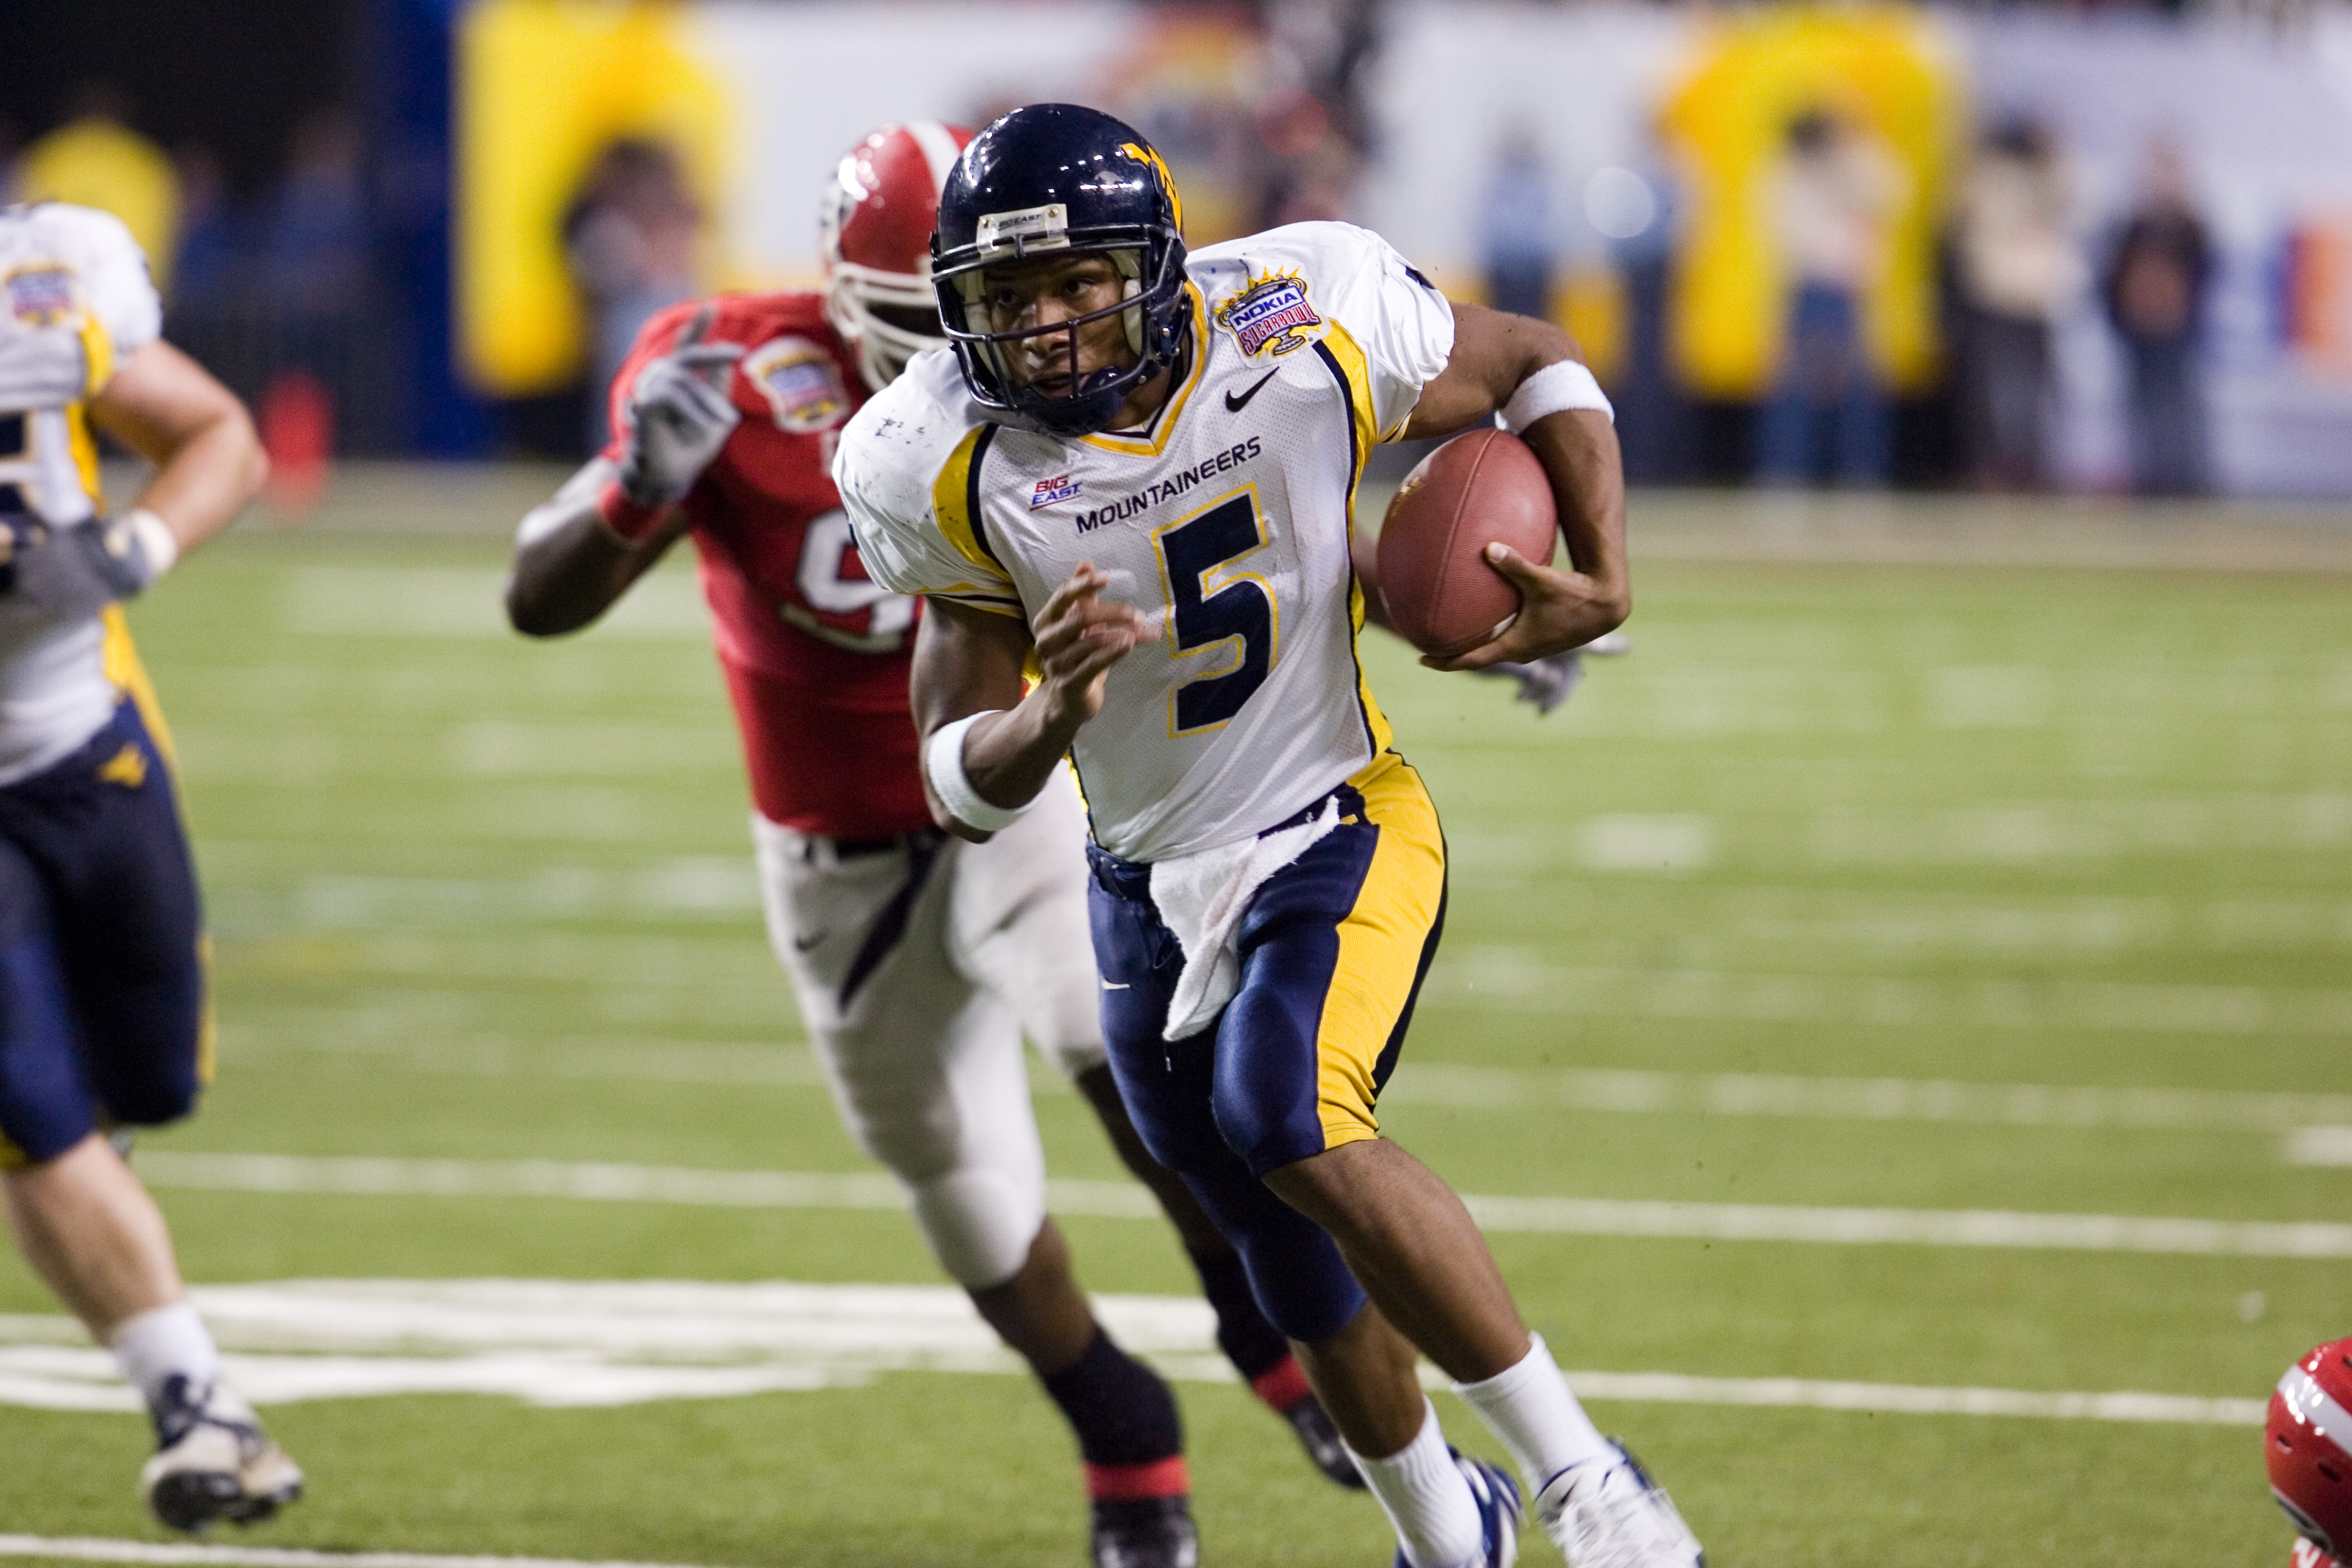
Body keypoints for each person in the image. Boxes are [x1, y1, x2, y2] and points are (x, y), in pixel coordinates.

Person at [836, 103, 1703, 1568]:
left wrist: (1604, 569)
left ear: (1150, 263)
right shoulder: (936, 454)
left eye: (1073, 281)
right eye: (1007, 295)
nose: (1041, 325)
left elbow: (1530, 358)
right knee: (1284, 1259)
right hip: (1139, 886)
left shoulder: (1298, 312)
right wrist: (1044, 719)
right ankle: (1449, 1536)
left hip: (1335, 814)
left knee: (1286, 1110)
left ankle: (1589, 1483)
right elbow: (953, 783)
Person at [505, 124, 1365, 1568]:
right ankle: (1123, 1433)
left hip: (1008, 795)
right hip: (835, 850)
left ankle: (1270, 1335)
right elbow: (537, 601)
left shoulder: (1074, 372)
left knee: (1122, 1056)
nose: (980, 347)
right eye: (925, 317)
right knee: (964, 1194)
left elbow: (1241, 529)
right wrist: (632, 489)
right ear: (844, 295)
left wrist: (1436, 599)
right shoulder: (728, 369)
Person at [0, 201, 295, 1527]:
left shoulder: (42, 287)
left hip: (89, 745)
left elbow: (222, 434)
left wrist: (129, 546)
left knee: (146, 1087)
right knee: (35, 1116)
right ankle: (199, 1407)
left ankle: (85, 1197)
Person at [1757, 106, 1904, 487]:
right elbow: (1789, 236)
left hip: (1850, 292)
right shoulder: (1788, 173)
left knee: (1858, 391)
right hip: (1808, 287)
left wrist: (1849, 148)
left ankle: (1862, 477)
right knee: (1794, 390)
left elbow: (1894, 192)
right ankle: (1785, 477)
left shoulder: (1858, 164)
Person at [1951, 116, 2080, 491]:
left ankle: (2033, 468)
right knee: (1992, 392)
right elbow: (1977, 223)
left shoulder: (2042, 176)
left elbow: (2070, 199)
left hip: (2033, 303)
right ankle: (1994, 468)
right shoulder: (1987, 178)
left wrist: (2049, 158)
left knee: (2037, 392)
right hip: (1995, 302)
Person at [2102, 137, 2212, 497]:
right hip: (2139, 330)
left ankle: (2184, 477)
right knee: (2143, 405)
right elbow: (2114, 278)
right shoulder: (2134, 225)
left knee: (2179, 404)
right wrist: (2122, 318)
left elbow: (2204, 278)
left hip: (2176, 331)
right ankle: (2149, 477)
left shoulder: (2190, 226)